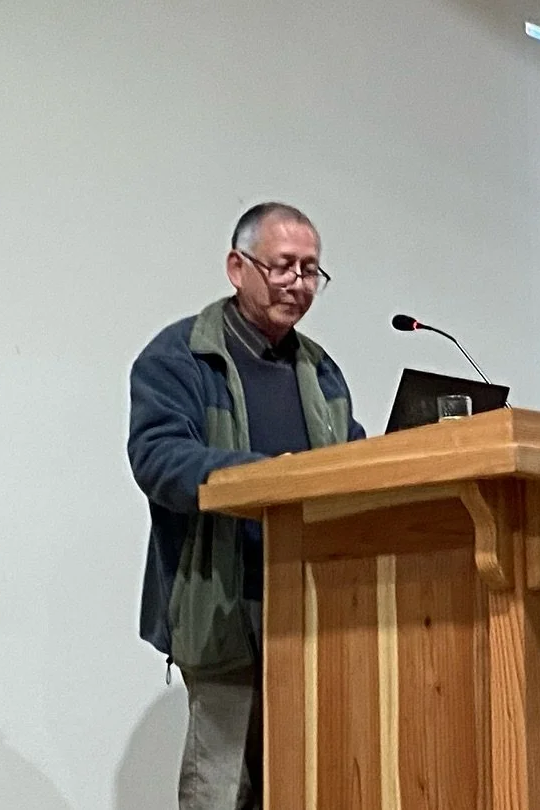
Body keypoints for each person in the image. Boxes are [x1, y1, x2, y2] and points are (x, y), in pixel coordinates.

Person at [126, 202, 366, 809]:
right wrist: (262, 476)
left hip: (312, 599)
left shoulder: (320, 370)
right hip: (223, 598)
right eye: (284, 266)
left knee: (308, 775)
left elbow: (349, 458)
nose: (299, 283)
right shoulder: (181, 356)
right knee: (223, 783)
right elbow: (157, 458)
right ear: (238, 267)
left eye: (312, 271)